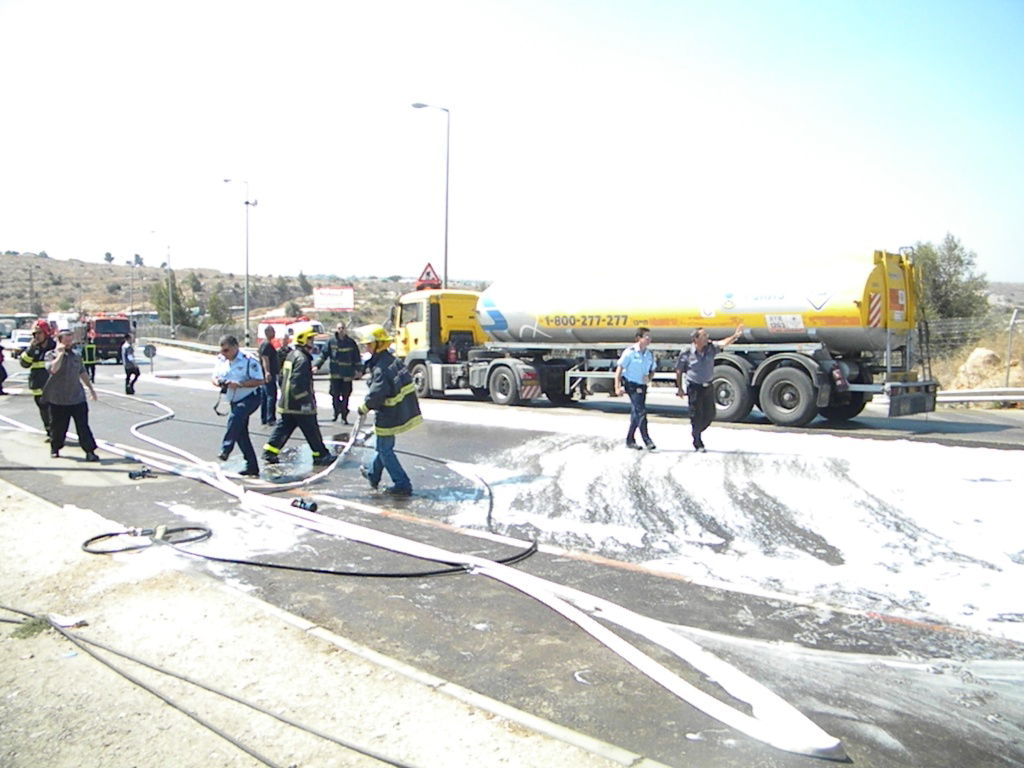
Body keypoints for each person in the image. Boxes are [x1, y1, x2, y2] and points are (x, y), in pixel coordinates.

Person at [356, 324, 422, 496]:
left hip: (389, 413)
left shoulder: (381, 368)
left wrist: (364, 407)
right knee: (383, 446)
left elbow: (377, 394)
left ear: (379, 344)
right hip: (398, 409)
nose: (366, 347)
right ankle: (372, 474)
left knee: (385, 449)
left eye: (369, 344)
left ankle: (402, 484)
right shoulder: (390, 360)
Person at [262, 328, 336, 468]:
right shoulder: (302, 359)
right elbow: (297, 384)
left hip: (287, 403)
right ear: (303, 341)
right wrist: (306, 400)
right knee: (311, 429)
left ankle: (269, 452)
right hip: (299, 405)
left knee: (284, 427)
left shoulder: (291, 355)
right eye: (311, 340)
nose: (313, 343)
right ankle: (320, 455)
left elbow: (282, 377)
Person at [675, 324, 744, 451]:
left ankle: (696, 431)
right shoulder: (686, 352)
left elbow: (723, 343)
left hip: (708, 386)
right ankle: (698, 441)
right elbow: (679, 370)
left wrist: (735, 336)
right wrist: (679, 388)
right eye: (704, 335)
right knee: (696, 414)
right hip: (694, 387)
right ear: (696, 339)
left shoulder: (711, 348)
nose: (707, 337)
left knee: (710, 414)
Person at [42, 329, 99, 461]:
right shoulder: (50, 355)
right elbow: (53, 369)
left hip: (77, 397)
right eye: (66, 339)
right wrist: (60, 355)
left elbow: (82, 372)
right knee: (58, 427)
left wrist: (91, 389)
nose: (69, 342)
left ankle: (90, 451)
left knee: (83, 426)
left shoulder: (76, 355)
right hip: (58, 399)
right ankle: (55, 448)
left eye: (70, 339)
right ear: (59, 340)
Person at [212, 335, 264, 476]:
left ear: (235, 347)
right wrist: (220, 382)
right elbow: (214, 377)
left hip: (250, 397)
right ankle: (252, 465)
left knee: (235, 417)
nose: (224, 353)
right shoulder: (221, 360)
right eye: (222, 350)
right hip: (233, 399)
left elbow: (260, 380)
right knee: (241, 433)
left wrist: (239, 384)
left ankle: (226, 449)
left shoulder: (248, 360)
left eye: (227, 350)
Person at [613, 327, 656, 451]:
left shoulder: (649, 354)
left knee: (636, 413)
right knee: (641, 411)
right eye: (646, 337)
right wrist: (617, 387)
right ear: (639, 338)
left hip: (642, 386)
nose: (649, 339)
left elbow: (653, 369)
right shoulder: (630, 352)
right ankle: (647, 440)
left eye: (649, 337)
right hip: (631, 385)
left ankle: (630, 439)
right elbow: (619, 369)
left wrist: (649, 377)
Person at [316, 322, 361, 423]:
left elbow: (356, 357)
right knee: (334, 395)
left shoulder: (351, 342)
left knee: (346, 396)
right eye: (339, 328)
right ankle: (336, 413)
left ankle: (344, 416)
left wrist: (359, 370)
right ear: (336, 329)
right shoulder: (331, 342)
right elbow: (323, 355)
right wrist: (316, 365)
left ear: (345, 330)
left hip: (347, 375)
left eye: (343, 328)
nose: (341, 330)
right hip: (335, 374)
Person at [19, 320, 56, 438]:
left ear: (46, 333)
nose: (37, 336)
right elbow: (24, 364)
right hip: (38, 385)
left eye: (39, 333)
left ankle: (56, 434)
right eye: (35, 334)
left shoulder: (54, 346)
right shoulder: (33, 348)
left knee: (54, 411)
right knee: (44, 410)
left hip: (53, 385)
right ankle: (49, 431)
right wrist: (30, 350)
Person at [258, 326, 279, 426]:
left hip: (265, 374)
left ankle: (264, 418)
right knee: (271, 395)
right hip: (268, 375)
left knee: (265, 396)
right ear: (267, 332)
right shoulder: (266, 344)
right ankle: (270, 418)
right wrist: (267, 372)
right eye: (273, 331)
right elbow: (265, 359)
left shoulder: (265, 344)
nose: (274, 333)